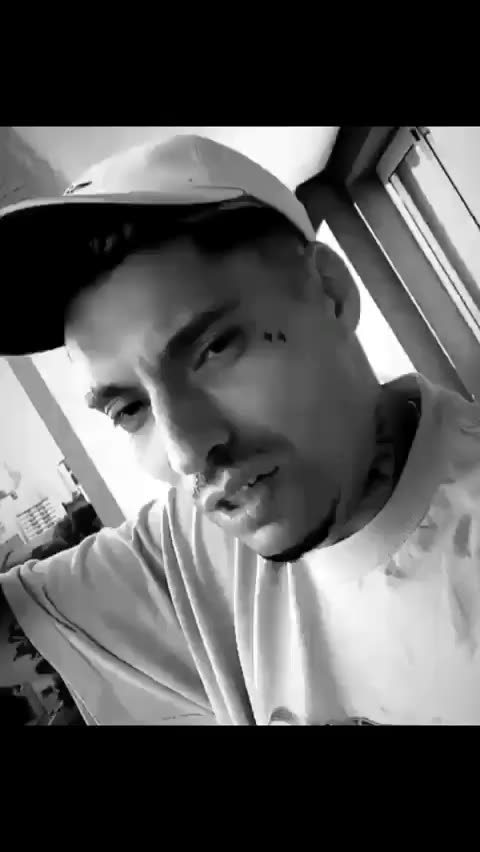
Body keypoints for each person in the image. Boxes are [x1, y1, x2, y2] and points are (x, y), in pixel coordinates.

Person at [0, 134, 479, 726]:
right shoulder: (193, 546)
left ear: (330, 294)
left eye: (216, 347)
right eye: (129, 410)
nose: (186, 454)